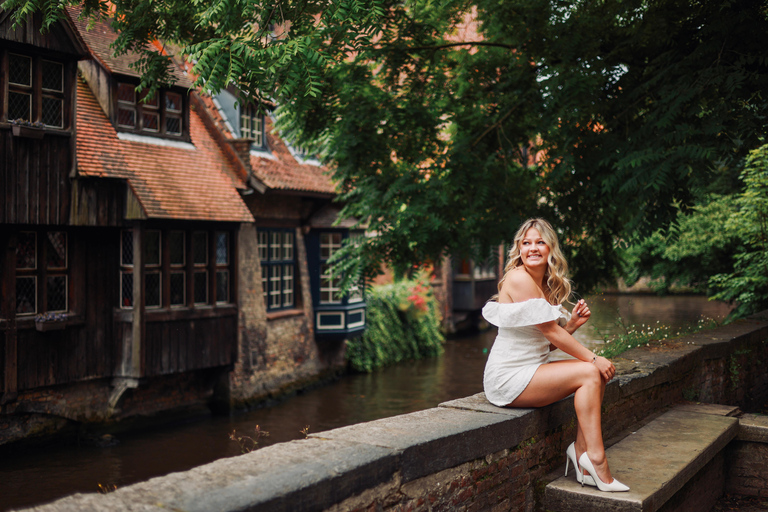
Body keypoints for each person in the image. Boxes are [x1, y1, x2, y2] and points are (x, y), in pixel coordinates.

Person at [482, 218, 629, 492]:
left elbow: (542, 343)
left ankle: (582, 452)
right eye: (526, 243)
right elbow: (551, 333)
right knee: (590, 370)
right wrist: (594, 357)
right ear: (519, 249)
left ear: (551, 248)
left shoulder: (547, 287)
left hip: (530, 370)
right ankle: (596, 460)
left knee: (592, 373)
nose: (532, 248)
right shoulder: (518, 278)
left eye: (539, 242)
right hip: (507, 378)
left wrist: (570, 326)